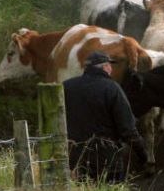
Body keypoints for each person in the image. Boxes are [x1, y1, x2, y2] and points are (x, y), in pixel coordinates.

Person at [63, 51, 147, 183]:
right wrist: (143, 155)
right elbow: (128, 130)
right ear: (105, 67)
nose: (111, 68)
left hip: (73, 160)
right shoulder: (112, 88)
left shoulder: (66, 86)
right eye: (109, 65)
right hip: (107, 161)